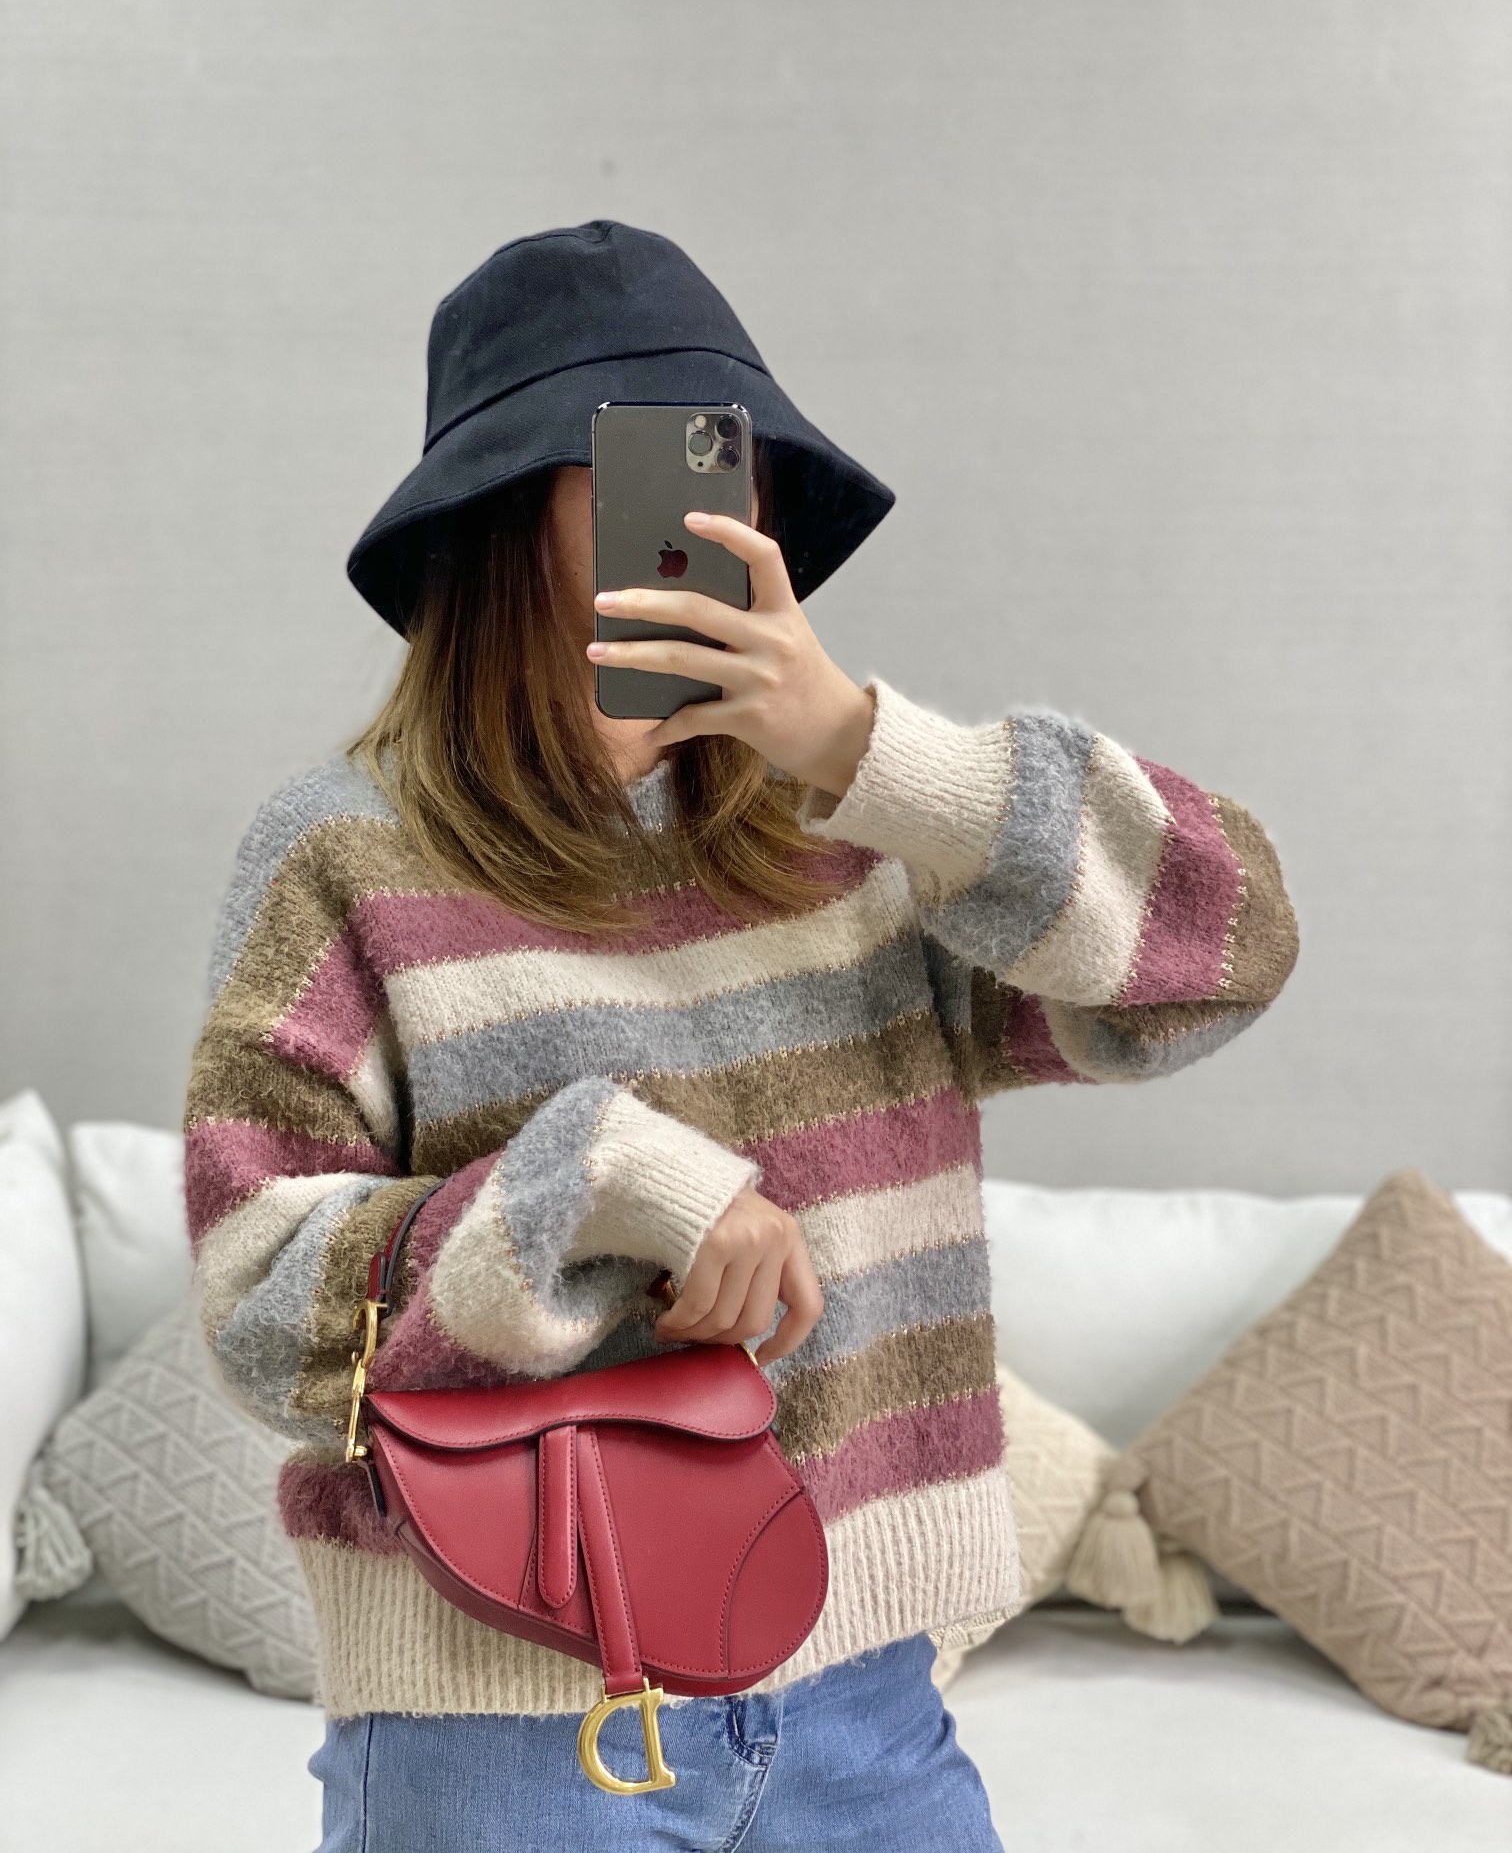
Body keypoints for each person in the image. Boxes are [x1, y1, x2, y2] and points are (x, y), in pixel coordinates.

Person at [182, 221, 1300, 1852]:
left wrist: (863, 746)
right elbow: (259, 1309)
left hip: (866, 1704)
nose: (711, 511)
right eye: (651, 460)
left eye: (735, 458)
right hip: (507, 1730)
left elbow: (1231, 948)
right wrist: (601, 1180)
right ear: (501, 512)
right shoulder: (344, 856)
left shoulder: (855, 834)